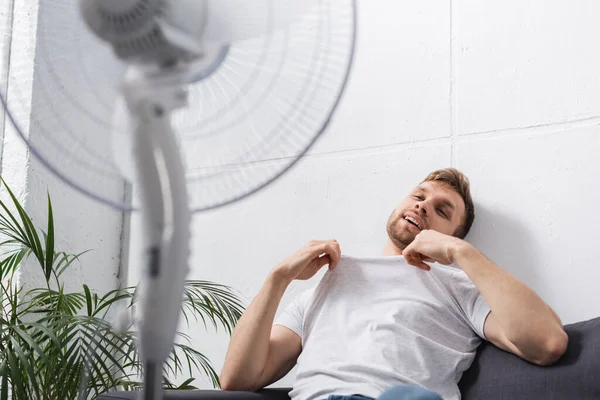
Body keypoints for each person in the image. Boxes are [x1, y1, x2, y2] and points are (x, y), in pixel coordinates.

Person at [219, 168, 568, 400]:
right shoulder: (324, 288)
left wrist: (462, 254)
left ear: (451, 235)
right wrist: (278, 278)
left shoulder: (458, 287)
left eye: (442, 210)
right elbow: (237, 380)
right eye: (419, 195)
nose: (424, 206)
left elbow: (548, 342)